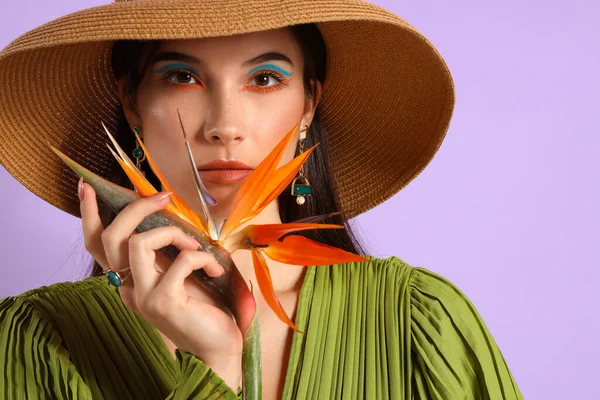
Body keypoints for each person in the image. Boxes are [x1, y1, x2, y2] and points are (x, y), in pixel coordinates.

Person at [0, 0, 523, 399]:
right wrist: (215, 365)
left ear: (307, 107)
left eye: (265, 78)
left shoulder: (416, 322)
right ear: (131, 103)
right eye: (181, 77)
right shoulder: (41, 338)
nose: (224, 127)